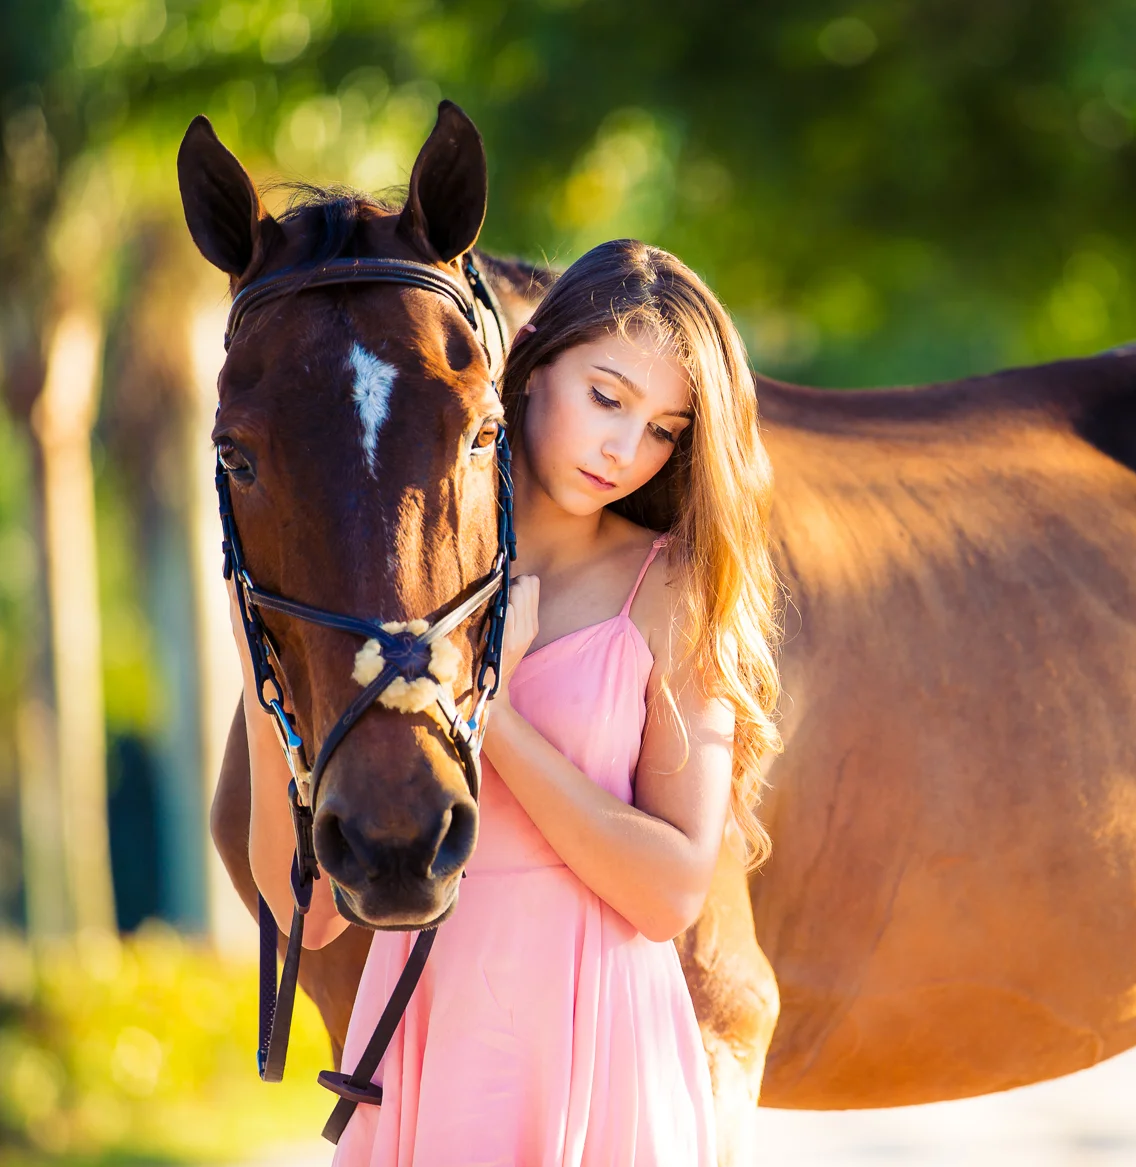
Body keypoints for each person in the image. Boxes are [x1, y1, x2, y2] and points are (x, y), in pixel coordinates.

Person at [235, 238, 782, 1165]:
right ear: (530, 367)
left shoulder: (672, 588)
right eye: (607, 397)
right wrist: (264, 652)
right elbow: (308, 913)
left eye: (664, 428)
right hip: (429, 1045)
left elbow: (673, 891)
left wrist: (491, 714)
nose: (624, 447)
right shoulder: (399, 575)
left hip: (603, 1053)